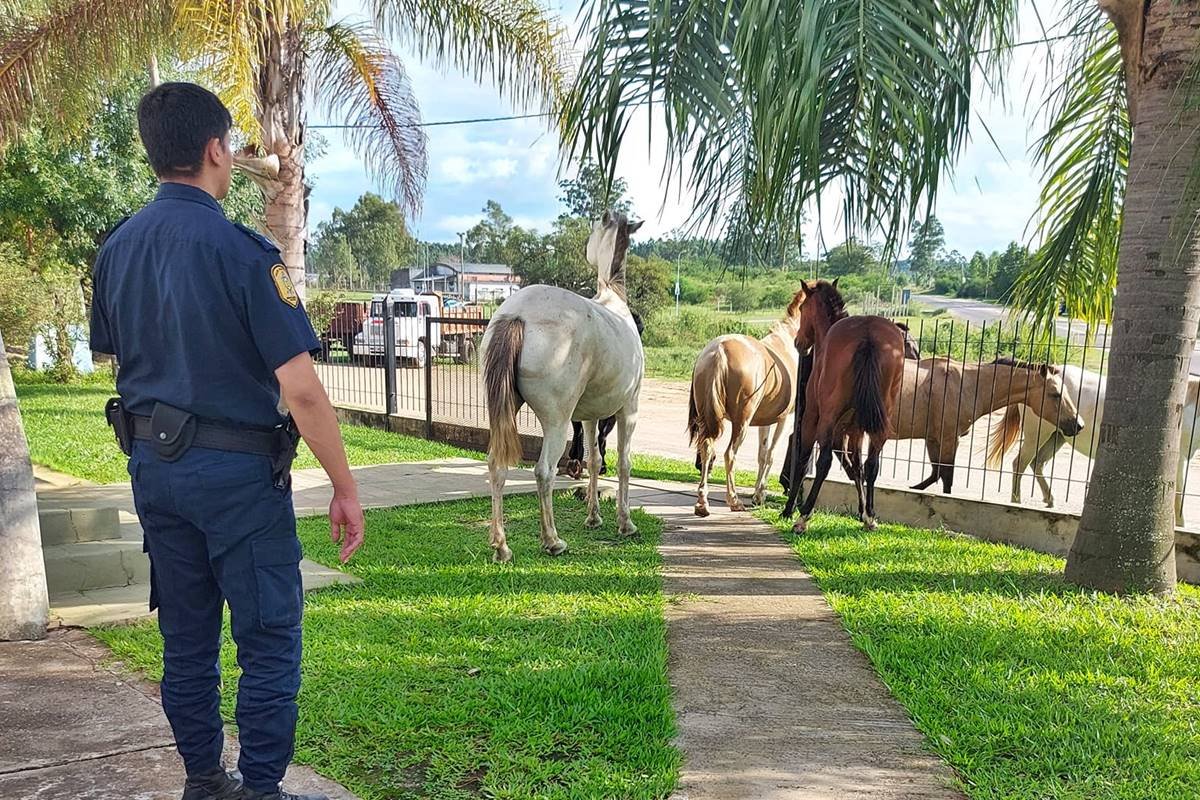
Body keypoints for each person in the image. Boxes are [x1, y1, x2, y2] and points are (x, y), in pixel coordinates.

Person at [89, 82, 365, 800]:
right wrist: (344, 484)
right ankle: (262, 789)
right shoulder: (245, 252)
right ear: (216, 151)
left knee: (187, 640)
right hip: (237, 477)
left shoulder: (116, 248)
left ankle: (206, 783)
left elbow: (119, 357)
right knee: (268, 636)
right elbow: (301, 391)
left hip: (156, 469)